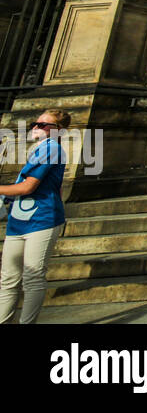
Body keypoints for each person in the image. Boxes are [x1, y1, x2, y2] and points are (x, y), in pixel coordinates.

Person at [0, 109, 71, 324]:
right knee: (8, 278)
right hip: (20, 219)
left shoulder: (52, 148)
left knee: (32, 277)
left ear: (58, 131)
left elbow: (28, 186)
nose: (36, 127)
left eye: (43, 125)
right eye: (35, 123)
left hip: (42, 218)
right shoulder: (39, 149)